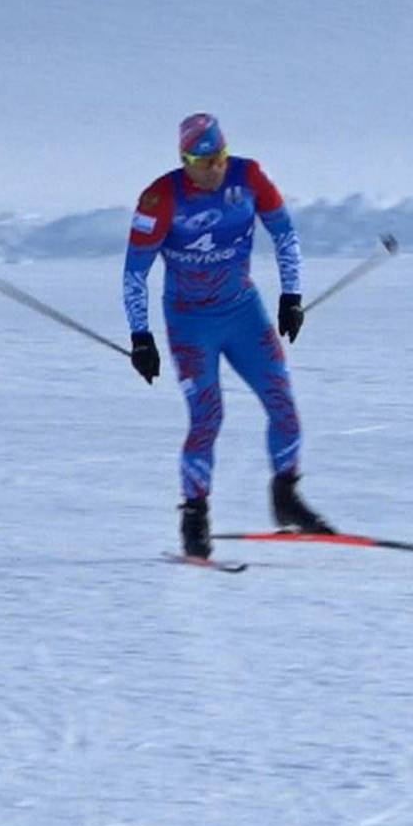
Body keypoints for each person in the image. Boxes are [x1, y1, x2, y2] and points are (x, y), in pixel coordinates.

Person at [123, 112, 333, 557]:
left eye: (219, 157)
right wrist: (141, 337)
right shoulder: (160, 198)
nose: (214, 168)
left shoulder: (249, 177)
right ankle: (194, 517)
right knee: (208, 417)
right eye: (203, 161)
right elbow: (134, 274)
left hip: (243, 314)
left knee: (283, 402)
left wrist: (291, 295)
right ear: (184, 160)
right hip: (189, 324)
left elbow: (285, 234)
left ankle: (286, 498)